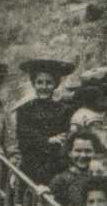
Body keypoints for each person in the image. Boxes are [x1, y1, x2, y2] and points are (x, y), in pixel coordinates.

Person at [14, 57, 75, 185]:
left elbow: (65, 135)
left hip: (56, 163)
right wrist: (47, 140)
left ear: (55, 84)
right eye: (40, 82)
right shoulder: (25, 110)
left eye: (49, 83)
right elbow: (23, 136)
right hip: (31, 163)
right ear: (33, 84)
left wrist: (59, 140)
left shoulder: (65, 110)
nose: (44, 87)